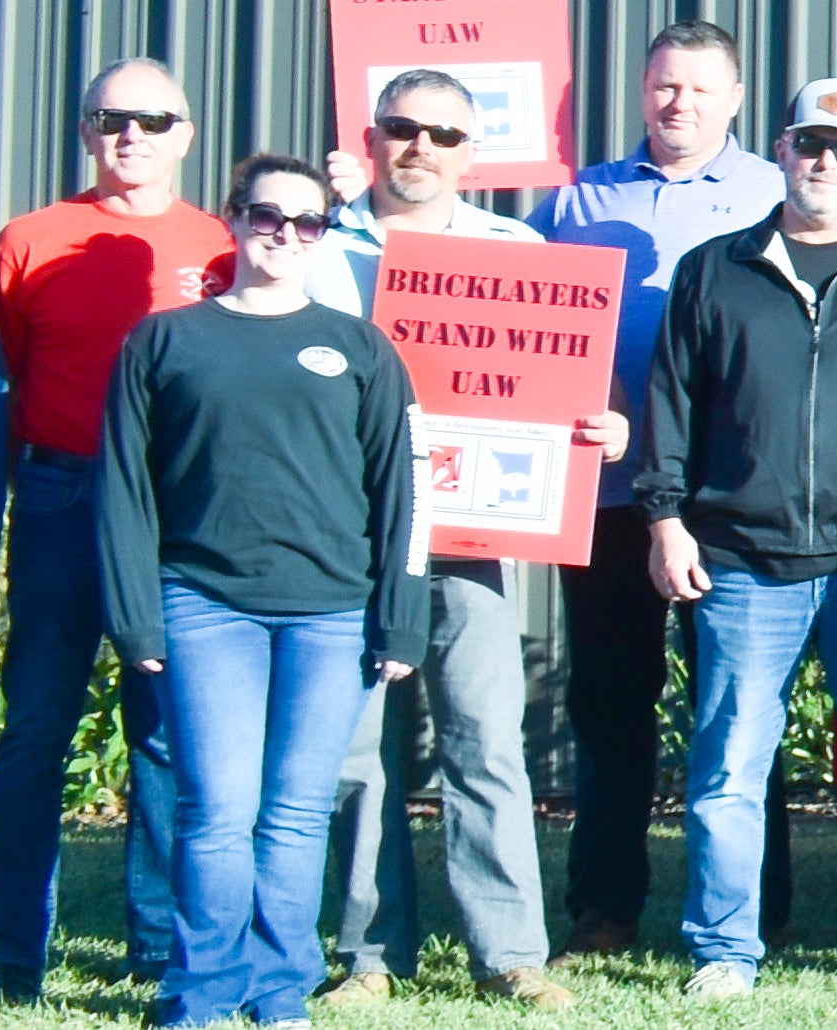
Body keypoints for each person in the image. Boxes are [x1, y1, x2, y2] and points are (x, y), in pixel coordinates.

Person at [643, 80, 837, 995]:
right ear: (778, 151)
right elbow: (672, 403)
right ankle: (724, 951)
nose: (826, 163)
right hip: (740, 560)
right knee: (730, 763)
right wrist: (665, 518)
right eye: (809, 144)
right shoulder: (715, 269)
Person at [102, 155, 424, 1029]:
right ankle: (199, 992)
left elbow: (403, 490)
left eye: (307, 222)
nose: (285, 234)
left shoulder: (362, 346)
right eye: (266, 215)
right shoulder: (164, 341)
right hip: (204, 605)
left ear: (324, 234)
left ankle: (280, 992)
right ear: (234, 219)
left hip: (331, 613)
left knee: (293, 815)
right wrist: (134, 616)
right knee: (216, 810)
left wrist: (401, 617)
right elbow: (126, 492)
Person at [318, 69, 618, 1007]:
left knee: (486, 739)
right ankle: (369, 957)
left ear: (471, 152)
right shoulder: (318, 249)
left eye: (444, 135)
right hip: (347, 538)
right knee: (355, 754)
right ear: (371, 137)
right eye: (403, 128)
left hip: (470, 538)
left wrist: (599, 430)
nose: (421, 148)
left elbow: (557, 386)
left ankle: (510, 953)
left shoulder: (515, 248)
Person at [530, 25, 788, 956]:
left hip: (724, 502)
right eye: (662, 86)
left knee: (737, 706)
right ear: (642, 91)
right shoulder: (578, 196)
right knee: (609, 705)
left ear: (735, 97)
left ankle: (764, 906)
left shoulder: (773, 193)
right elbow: (518, 322)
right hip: (602, 495)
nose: (678, 103)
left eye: (698, 88)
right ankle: (605, 909)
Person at [0, 57, 235, 996]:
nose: (131, 133)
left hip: (175, 510)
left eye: (152, 119)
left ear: (186, 133)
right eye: (110, 117)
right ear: (87, 130)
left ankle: (158, 948)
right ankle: (15, 952)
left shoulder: (221, 246)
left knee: (166, 732)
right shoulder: (32, 239)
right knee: (36, 727)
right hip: (59, 498)